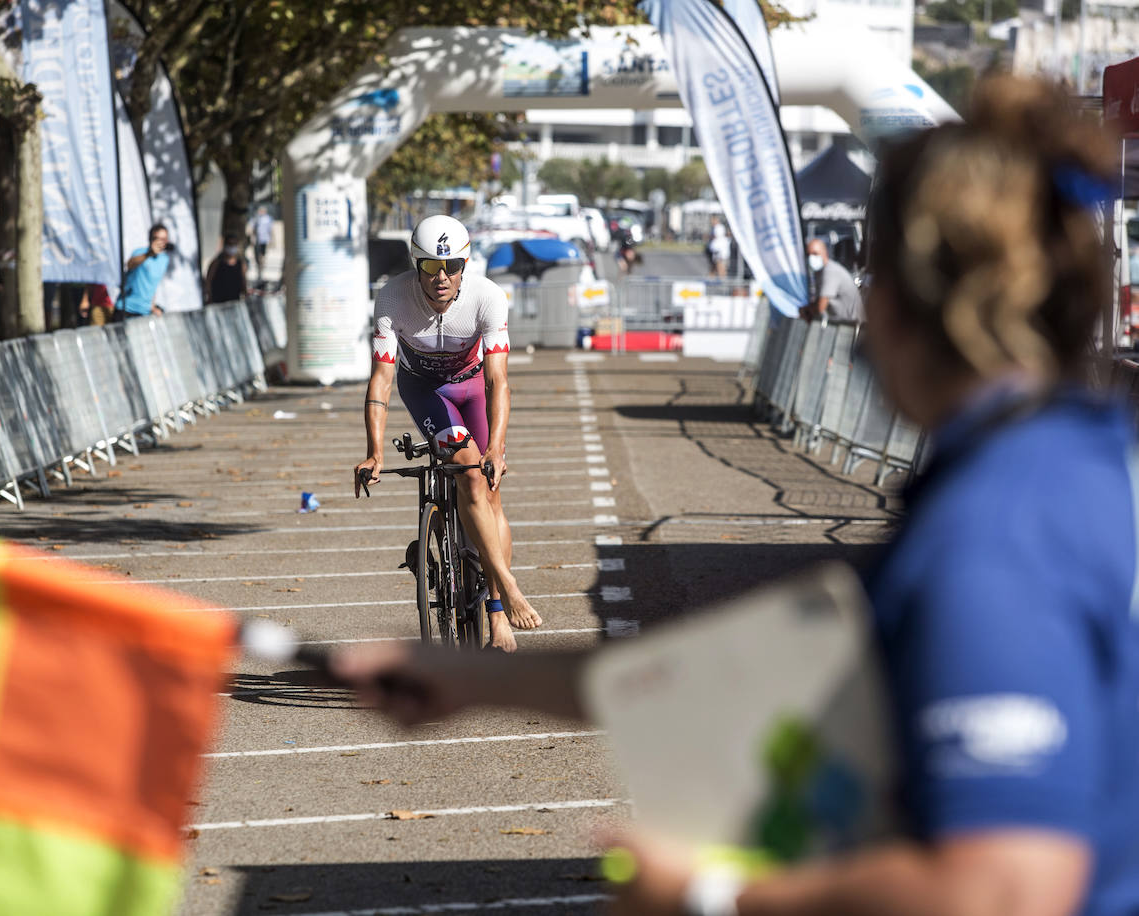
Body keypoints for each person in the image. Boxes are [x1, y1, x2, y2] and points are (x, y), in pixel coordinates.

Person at [334, 77, 1139, 916]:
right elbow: (765, 662)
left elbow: (1003, 890)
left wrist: (711, 893)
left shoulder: (998, 533)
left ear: (899, 305)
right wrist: (472, 680)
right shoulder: (1067, 458)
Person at [353, 214, 542, 653]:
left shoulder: (487, 297)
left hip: (474, 387)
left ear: (465, 264)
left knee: (488, 489)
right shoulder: (392, 300)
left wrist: (496, 447)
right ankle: (510, 585)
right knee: (465, 469)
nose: (442, 277)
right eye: (430, 267)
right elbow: (380, 380)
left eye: (453, 266)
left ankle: (497, 612)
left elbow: (498, 381)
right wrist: (374, 453)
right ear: (415, 264)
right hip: (422, 390)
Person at [800, 238, 865, 323]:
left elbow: (821, 306)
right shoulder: (819, 272)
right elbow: (818, 301)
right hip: (841, 324)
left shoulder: (830, 271)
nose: (811, 258)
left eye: (815, 254)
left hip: (853, 325)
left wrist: (807, 311)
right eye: (808, 255)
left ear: (824, 252)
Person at [117, 224, 170, 319]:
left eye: (163, 239)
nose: (160, 243)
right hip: (126, 308)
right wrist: (148, 254)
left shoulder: (164, 259)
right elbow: (130, 264)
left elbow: (153, 285)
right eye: (157, 238)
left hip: (144, 312)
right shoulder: (140, 252)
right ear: (150, 239)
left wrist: (152, 307)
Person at [204, 234, 248, 304]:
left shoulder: (241, 264)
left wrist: (246, 296)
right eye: (230, 244)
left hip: (234, 301)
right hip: (218, 301)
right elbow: (208, 281)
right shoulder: (216, 263)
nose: (232, 247)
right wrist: (209, 297)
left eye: (234, 244)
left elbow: (244, 281)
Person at [247, 205, 273, 284]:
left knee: (262, 255)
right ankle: (259, 267)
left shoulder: (268, 219)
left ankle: (261, 268)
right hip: (256, 241)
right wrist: (251, 238)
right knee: (256, 255)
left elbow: (270, 229)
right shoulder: (255, 218)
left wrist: (271, 240)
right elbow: (251, 228)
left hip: (264, 240)